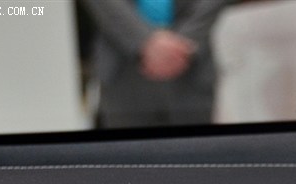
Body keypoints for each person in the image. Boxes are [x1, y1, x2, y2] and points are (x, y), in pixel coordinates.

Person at [80, 0, 231, 127]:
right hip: (122, 69)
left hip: (193, 71)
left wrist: (184, 41)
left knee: (197, 150)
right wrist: (144, 40)